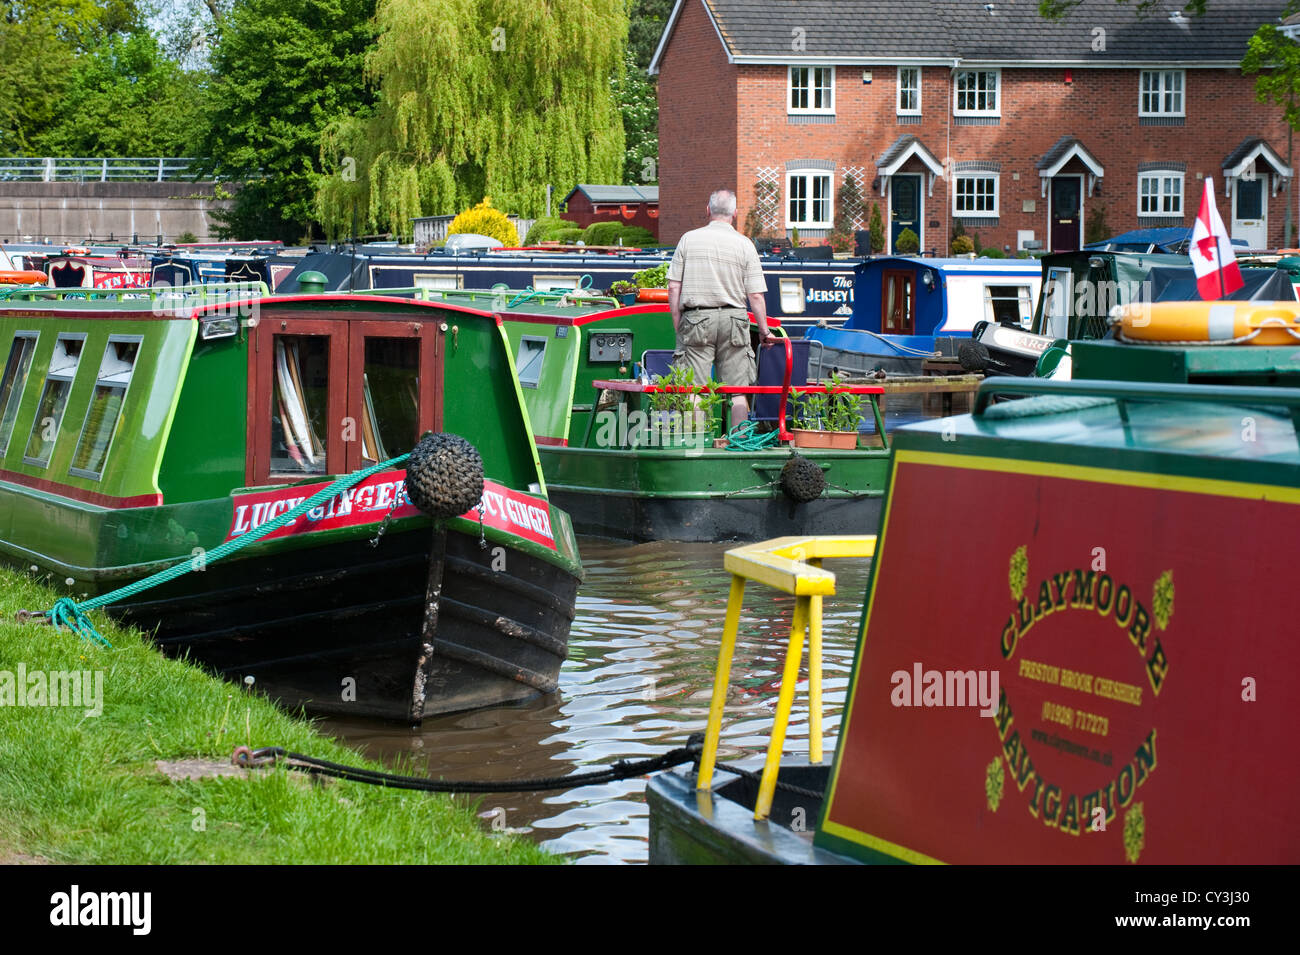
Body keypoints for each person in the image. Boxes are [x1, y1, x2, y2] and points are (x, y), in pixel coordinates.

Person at [666, 189, 776, 430]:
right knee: (738, 390)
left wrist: (679, 325)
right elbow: (755, 295)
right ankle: (738, 441)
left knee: (693, 388)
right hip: (734, 319)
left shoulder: (688, 239)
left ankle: (696, 441)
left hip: (696, 318)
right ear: (735, 214)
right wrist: (765, 332)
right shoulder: (745, 245)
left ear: (708, 210)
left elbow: (674, 288)